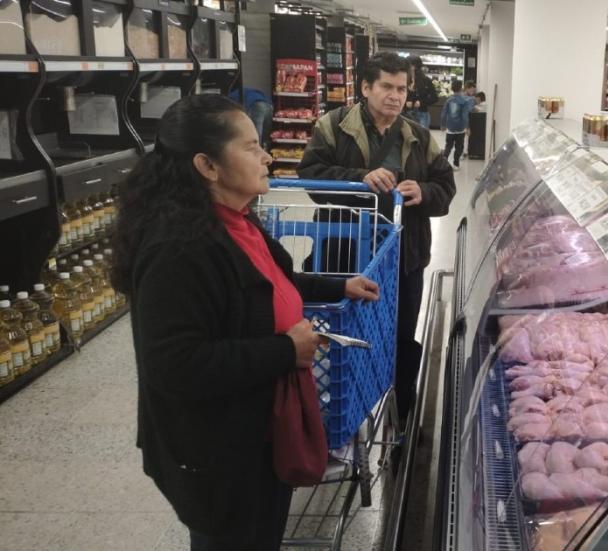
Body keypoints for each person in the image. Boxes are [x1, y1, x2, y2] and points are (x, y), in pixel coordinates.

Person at [110, 94, 380, 550]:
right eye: (252, 147)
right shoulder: (178, 248)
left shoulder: (234, 219)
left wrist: (337, 285)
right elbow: (174, 364)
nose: (267, 156)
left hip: (258, 432)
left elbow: (265, 282)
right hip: (218, 452)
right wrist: (286, 350)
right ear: (207, 165)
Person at [297, 52, 456, 422]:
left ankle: (401, 414)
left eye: (401, 88)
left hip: (404, 258)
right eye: (386, 86)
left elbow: (445, 187)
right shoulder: (333, 126)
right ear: (366, 87)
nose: (395, 95)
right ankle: (344, 411)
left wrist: (425, 193)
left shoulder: (417, 135)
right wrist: (357, 179)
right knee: (345, 336)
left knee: (399, 335)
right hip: (344, 254)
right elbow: (311, 176)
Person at [441, 80, 474, 169]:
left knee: (448, 145)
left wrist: (443, 125)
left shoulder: (448, 100)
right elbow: (465, 116)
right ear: (461, 88)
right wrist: (467, 127)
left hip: (450, 127)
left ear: (452, 88)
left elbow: (444, 113)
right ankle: (456, 164)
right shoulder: (464, 101)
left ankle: (444, 161)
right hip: (460, 128)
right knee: (459, 146)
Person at [406, 56, 438, 129]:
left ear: (414, 66)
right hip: (405, 113)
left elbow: (434, 98)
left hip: (422, 113)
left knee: (422, 137)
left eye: (408, 65)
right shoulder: (404, 79)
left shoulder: (425, 80)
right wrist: (405, 102)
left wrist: (421, 103)